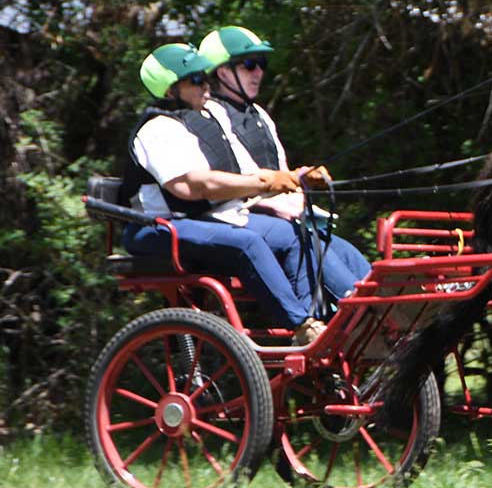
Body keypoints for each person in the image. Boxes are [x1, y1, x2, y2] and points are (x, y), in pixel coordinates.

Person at [121, 43, 326, 345]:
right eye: (195, 80)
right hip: (158, 227)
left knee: (294, 234)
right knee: (247, 243)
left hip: (203, 220)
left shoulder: (202, 122)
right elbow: (192, 186)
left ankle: (314, 321)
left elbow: (235, 173)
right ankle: (301, 326)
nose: (206, 85)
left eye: (205, 77)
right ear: (169, 91)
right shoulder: (157, 130)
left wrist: (294, 177)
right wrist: (264, 182)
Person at [197, 25, 371, 316]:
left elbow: (279, 171)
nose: (259, 73)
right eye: (250, 64)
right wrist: (276, 183)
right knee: (309, 242)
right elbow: (239, 177)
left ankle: (378, 302)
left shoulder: (259, 115)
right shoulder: (209, 116)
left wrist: (300, 177)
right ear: (223, 73)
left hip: (278, 214)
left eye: (261, 65)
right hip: (237, 217)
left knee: (342, 250)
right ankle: (360, 310)